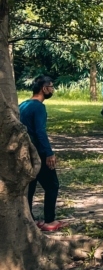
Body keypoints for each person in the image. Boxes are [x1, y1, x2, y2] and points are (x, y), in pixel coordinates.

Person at [21, 75, 63, 231]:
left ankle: (30, 220)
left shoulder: (23, 105)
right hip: (38, 152)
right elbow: (40, 132)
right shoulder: (39, 107)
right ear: (44, 88)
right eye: (51, 87)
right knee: (52, 185)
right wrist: (49, 153)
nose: (52, 90)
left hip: (25, 153)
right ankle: (49, 221)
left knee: (30, 187)